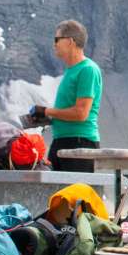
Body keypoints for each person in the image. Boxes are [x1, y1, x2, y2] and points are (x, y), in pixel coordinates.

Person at [39, 19, 104, 172]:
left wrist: (46, 111)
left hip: (80, 142)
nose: (54, 44)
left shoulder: (88, 69)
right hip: (62, 141)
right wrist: (46, 118)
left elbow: (81, 113)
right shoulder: (71, 70)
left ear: (70, 41)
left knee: (74, 188)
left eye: (57, 39)